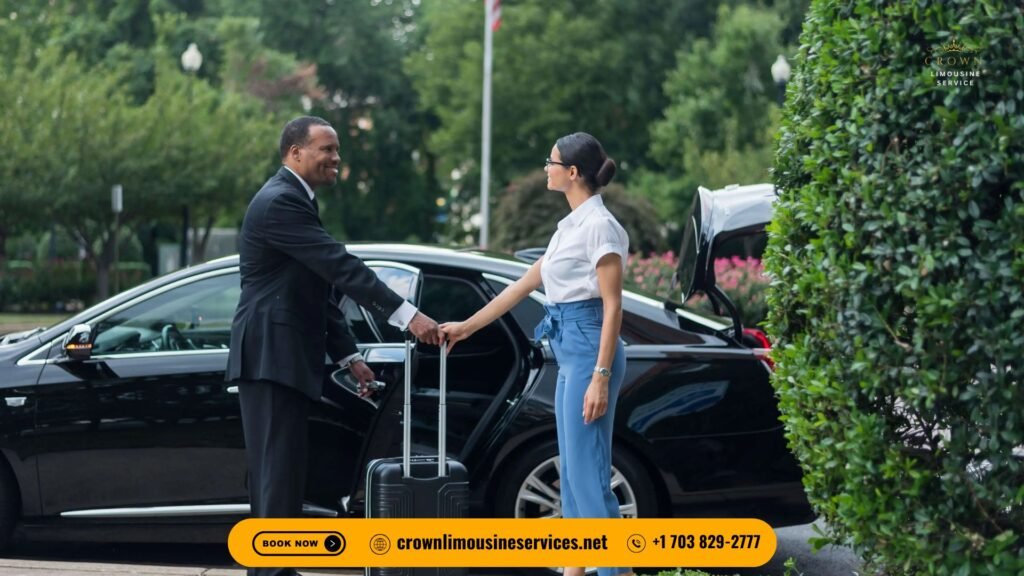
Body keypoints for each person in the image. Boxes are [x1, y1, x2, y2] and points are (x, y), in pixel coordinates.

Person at [226, 116, 443, 576]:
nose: (336, 158)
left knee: (283, 477)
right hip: (269, 357)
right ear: (294, 153)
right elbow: (340, 266)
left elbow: (318, 286)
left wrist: (349, 356)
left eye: (337, 149)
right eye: (326, 149)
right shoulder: (280, 202)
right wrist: (409, 316)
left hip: (281, 357)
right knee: (275, 478)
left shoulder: (295, 201)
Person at [441, 132, 633, 576]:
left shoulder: (601, 227)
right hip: (570, 353)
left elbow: (613, 305)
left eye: (550, 162)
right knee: (575, 478)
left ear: (572, 173)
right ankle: (576, 570)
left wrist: (601, 376)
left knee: (588, 480)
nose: (544, 168)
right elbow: (522, 286)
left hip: (590, 352)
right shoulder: (570, 227)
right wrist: (465, 328)